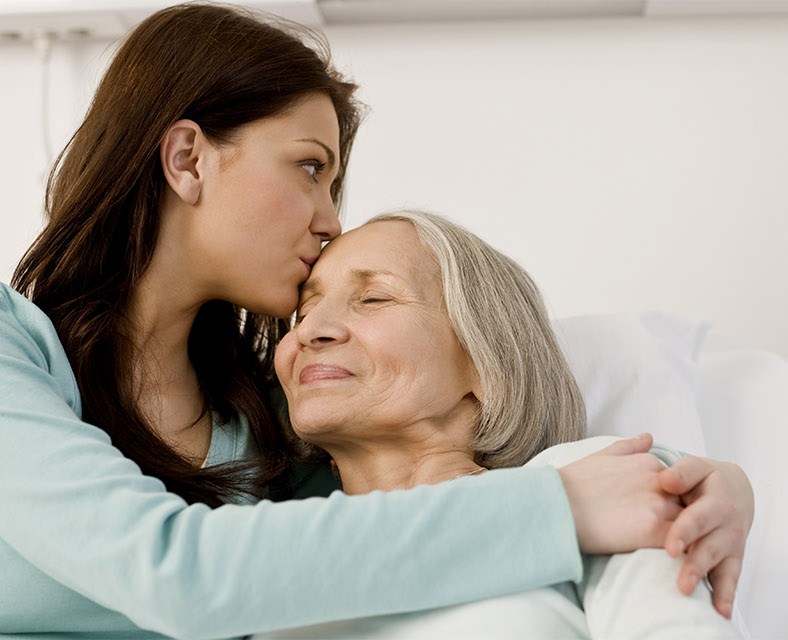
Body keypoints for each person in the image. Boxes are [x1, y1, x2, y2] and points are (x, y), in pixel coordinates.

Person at [0, 4, 755, 639]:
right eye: (310, 168)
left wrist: (688, 482)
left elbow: (406, 511)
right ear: (187, 158)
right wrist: (562, 507)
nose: (329, 215)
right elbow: (178, 573)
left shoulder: (266, 439)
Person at [256, 211, 746, 639]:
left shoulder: (584, 483)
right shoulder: (274, 565)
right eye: (304, 310)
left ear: (486, 364)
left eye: (375, 298)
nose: (310, 331)